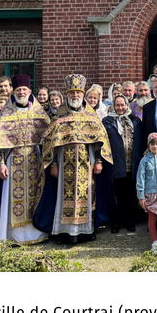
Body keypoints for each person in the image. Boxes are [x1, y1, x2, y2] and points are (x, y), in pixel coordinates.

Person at [33, 74, 113, 244]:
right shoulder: (59, 117)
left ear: (82, 94)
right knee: (63, 196)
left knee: (87, 195)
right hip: (63, 165)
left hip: (86, 163)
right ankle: (63, 232)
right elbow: (49, 143)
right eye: (71, 93)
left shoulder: (91, 116)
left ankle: (85, 231)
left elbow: (100, 141)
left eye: (78, 93)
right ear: (67, 95)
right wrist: (53, 164)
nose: (75, 96)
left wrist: (99, 161)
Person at [0, 75, 50, 245]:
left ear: (30, 91)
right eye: (18, 90)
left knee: (34, 196)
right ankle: (14, 235)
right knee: (13, 199)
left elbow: (48, 137)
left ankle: (35, 233)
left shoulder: (39, 113)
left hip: (34, 161)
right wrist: (1, 164)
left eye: (24, 89)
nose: (21, 92)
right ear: (13, 92)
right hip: (12, 161)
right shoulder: (6, 113)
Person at [100, 94, 142, 234]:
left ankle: (129, 221)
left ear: (127, 105)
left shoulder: (135, 120)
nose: (120, 108)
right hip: (115, 164)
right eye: (117, 105)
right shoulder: (107, 121)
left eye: (122, 105)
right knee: (115, 195)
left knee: (130, 195)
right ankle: (116, 223)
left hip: (132, 163)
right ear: (113, 106)